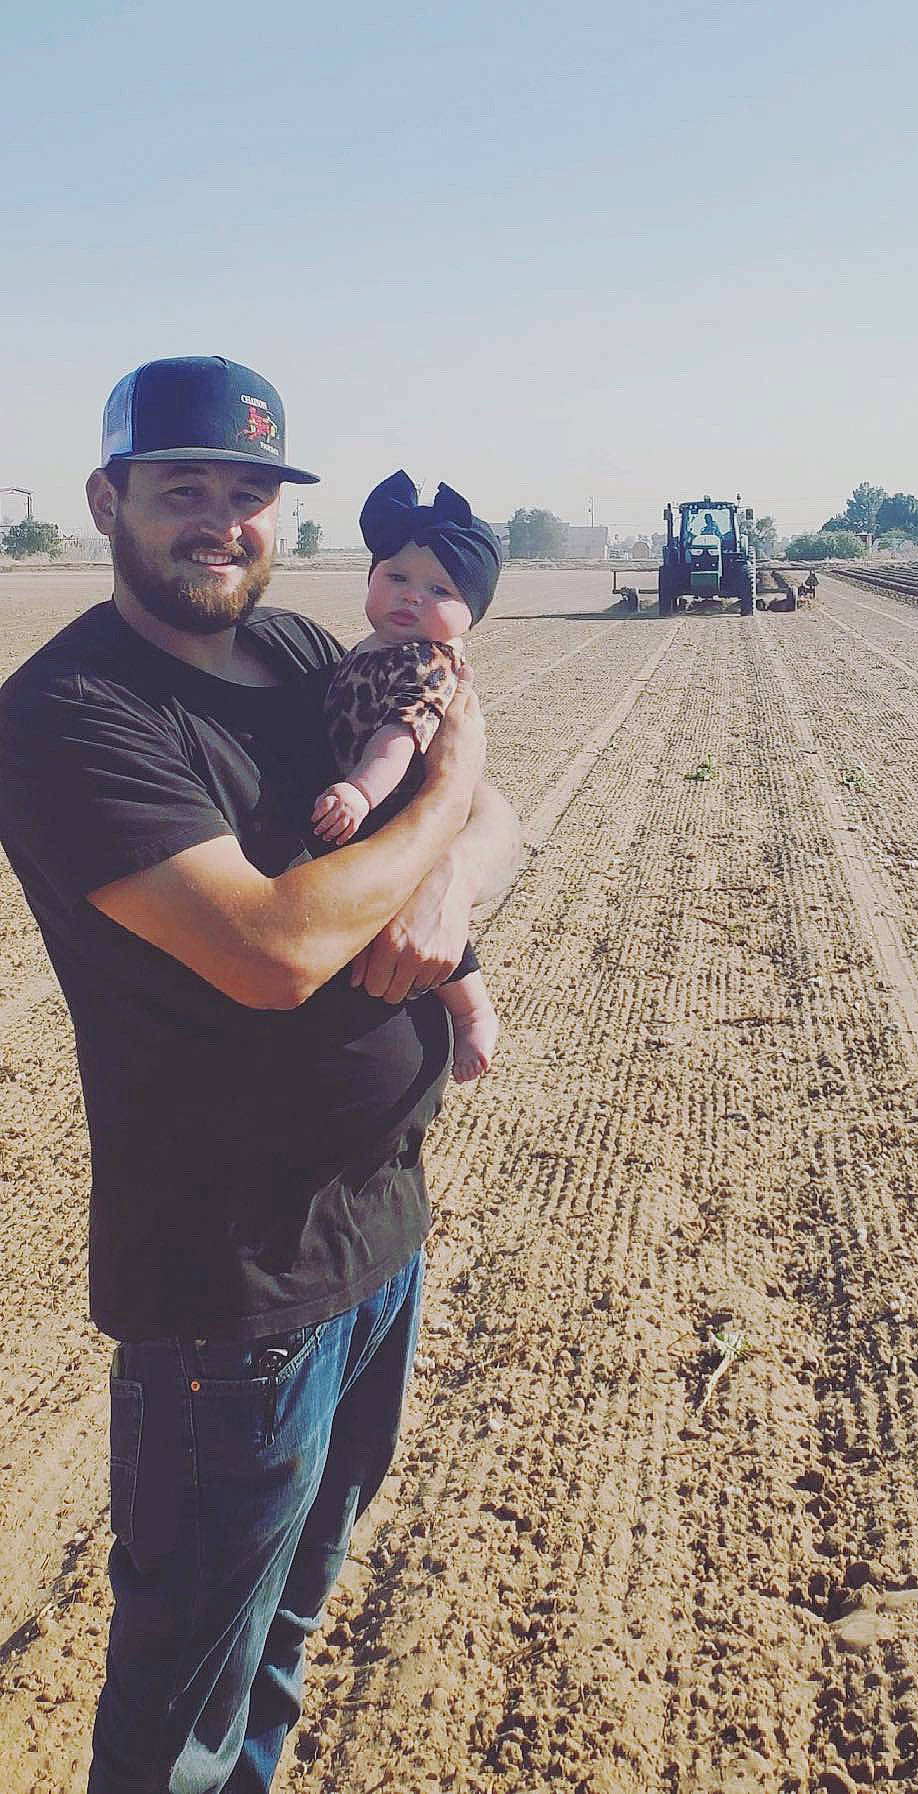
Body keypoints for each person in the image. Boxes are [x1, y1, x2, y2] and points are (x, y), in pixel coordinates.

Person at [0, 355, 521, 1793]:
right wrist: (447, 798)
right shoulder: (70, 717)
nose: (221, 522)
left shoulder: (297, 656)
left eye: (250, 494)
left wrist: (441, 879)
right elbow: (277, 948)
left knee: (285, 1635)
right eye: (184, 491)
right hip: (231, 1294)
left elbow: (498, 813)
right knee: (184, 1703)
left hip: (376, 1238)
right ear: (109, 501)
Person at [312, 469, 503, 1082]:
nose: (412, 596)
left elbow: (399, 735)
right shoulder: (366, 649)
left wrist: (360, 790)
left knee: (422, 913)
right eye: (396, 577)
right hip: (366, 803)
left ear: (470, 617)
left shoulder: (428, 663)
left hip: (394, 808)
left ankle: (473, 1014)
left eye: (439, 590)